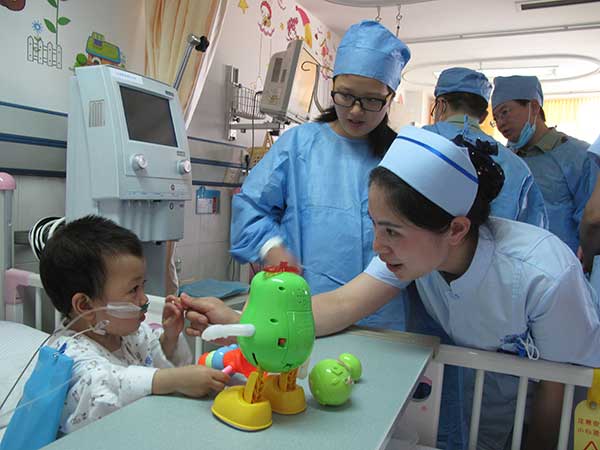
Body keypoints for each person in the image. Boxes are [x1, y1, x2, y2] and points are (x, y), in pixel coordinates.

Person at [185, 127, 600, 450]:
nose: (377, 245)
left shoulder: (543, 275)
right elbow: (344, 303)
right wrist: (243, 323)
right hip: (483, 405)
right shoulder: (416, 253)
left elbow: (559, 388)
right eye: (375, 225)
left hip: (563, 419)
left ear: (455, 228)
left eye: (391, 231)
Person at [229, 20, 411, 330]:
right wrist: (271, 247)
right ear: (332, 86)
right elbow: (250, 207)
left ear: (390, 97)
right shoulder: (299, 144)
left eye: (371, 101)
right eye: (345, 96)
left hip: (383, 318)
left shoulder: (403, 157)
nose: (355, 111)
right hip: (303, 312)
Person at [414, 67, 549, 449]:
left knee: (410, 430)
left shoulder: (410, 147)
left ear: (438, 105)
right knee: (477, 432)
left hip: (411, 324)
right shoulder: (515, 167)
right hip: (491, 330)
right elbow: (532, 244)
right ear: (485, 113)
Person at [39, 215, 229, 434]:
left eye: (143, 286)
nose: (144, 299)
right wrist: (173, 379)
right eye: (133, 290)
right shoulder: (67, 355)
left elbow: (164, 367)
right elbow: (102, 388)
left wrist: (170, 338)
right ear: (85, 305)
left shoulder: (133, 335)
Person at [491, 75, 599, 253]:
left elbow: (591, 220)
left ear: (533, 107)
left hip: (563, 265)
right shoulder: (504, 160)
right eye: (495, 118)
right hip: (512, 265)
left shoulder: (577, 156)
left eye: (505, 112)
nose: (501, 123)